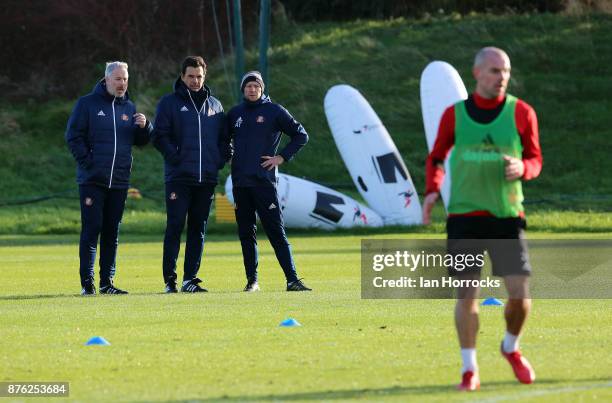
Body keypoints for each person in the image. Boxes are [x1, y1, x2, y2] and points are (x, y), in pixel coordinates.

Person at [422, 47, 542, 391]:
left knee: (520, 296)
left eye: (504, 70)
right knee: (467, 295)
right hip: (464, 216)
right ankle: (469, 368)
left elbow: (535, 159)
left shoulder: (522, 112)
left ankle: (510, 347)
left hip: (506, 216)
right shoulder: (454, 115)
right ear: (476, 74)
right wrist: (432, 190)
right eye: (493, 70)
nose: (501, 76)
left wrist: (524, 168)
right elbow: (437, 157)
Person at [66, 61, 153, 295]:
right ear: (106, 80)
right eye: (118, 79)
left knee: (112, 232)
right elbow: (73, 137)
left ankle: (107, 283)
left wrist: (145, 127)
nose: (122, 84)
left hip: (120, 182)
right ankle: (88, 284)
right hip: (93, 181)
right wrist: (89, 164)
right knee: (92, 229)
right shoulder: (87, 104)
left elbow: (141, 142)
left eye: (125, 79)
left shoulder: (129, 108)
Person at [152, 56, 231, 293]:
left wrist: (220, 159)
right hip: (179, 178)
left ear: (204, 76)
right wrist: (175, 158)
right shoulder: (169, 103)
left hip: (206, 178)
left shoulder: (215, 105)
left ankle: (190, 279)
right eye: (190, 76)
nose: (195, 81)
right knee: (175, 225)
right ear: (182, 76)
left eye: (199, 76)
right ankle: (170, 281)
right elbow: (159, 136)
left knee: (198, 228)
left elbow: (225, 140)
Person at [227, 71, 311, 292]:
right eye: (248, 86)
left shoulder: (274, 111)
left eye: (256, 86)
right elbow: (222, 140)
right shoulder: (235, 114)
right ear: (243, 89)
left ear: (262, 88)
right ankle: (252, 281)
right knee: (246, 233)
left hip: (264, 183)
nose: (252, 89)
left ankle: (292, 280)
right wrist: (228, 155)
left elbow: (300, 135)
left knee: (276, 231)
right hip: (240, 184)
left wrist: (281, 157)